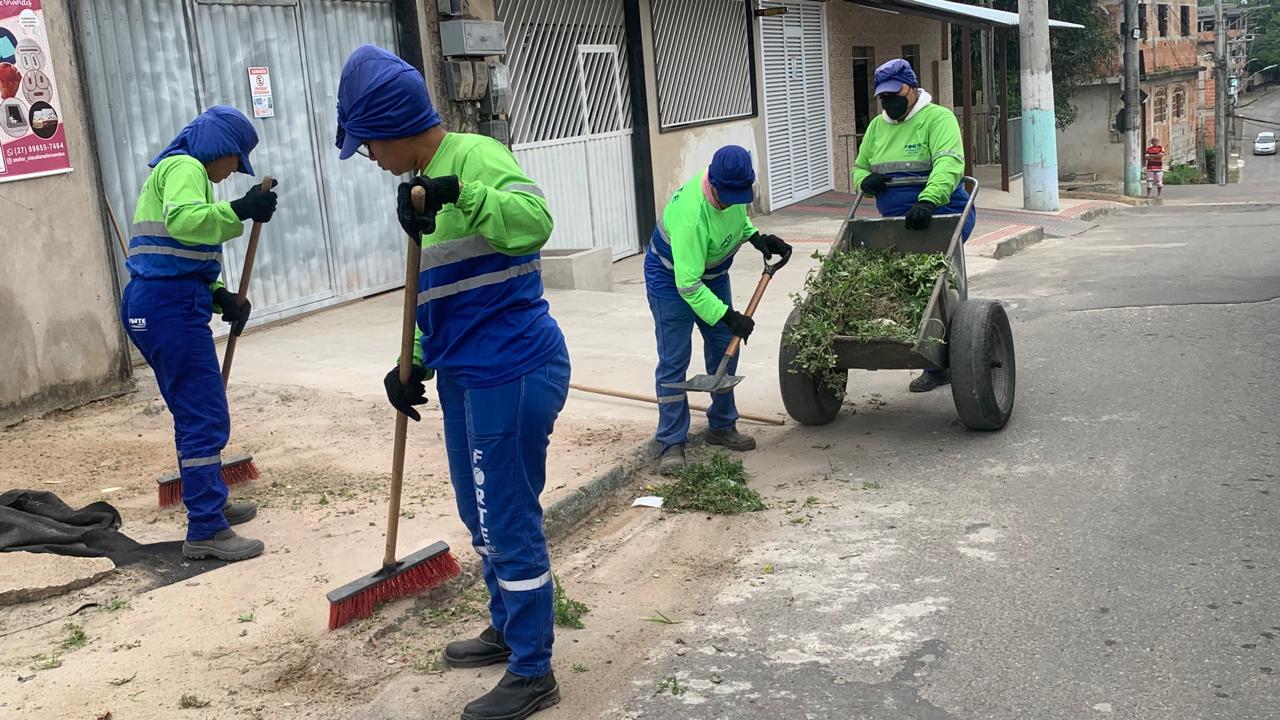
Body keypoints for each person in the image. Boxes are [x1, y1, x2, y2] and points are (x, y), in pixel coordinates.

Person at [335, 45, 568, 720]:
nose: (369, 157)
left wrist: (461, 192)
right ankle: (507, 626)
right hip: (467, 368)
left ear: (396, 126)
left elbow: (535, 224)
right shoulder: (415, 185)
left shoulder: (473, 161)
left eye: (369, 144)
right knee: (480, 516)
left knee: (508, 519)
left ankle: (534, 670)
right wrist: (410, 362)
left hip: (514, 367)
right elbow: (432, 291)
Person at [119, 105, 278, 561]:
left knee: (194, 413)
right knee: (204, 417)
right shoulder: (187, 167)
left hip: (164, 299)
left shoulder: (177, 171)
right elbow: (185, 223)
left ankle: (212, 500)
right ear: (220, 147)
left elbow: (176, 253)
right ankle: (206, 527)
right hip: (167, 306)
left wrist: (219, 296)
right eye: (234, 161)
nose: (232, 172)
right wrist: (241, 210)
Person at [646, 145, 792, 476]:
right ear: (712, 181)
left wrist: (758, 239)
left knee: (726, 346)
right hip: (671, 280)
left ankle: (722, 426)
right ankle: (671, 441)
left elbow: (737, 222)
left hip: (712, 275)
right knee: (674, 359)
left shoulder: (733, 192)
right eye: (727, 194)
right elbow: (688, 285)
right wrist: (728, 315)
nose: (733, 200)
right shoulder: (692, 216)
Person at [852, 58, 976, 394]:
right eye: (883, 97)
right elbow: (859, 167)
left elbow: (949, 164)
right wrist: (867, 181)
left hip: (940, 213)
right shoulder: (878, 128)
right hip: (895, 222)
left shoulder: (938, 119)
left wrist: (928, 201)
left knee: (936, 285)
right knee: (907, 288)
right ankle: (928, 356)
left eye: (894, 94)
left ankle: (952, 356)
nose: (889, 102)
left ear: (911, 87)